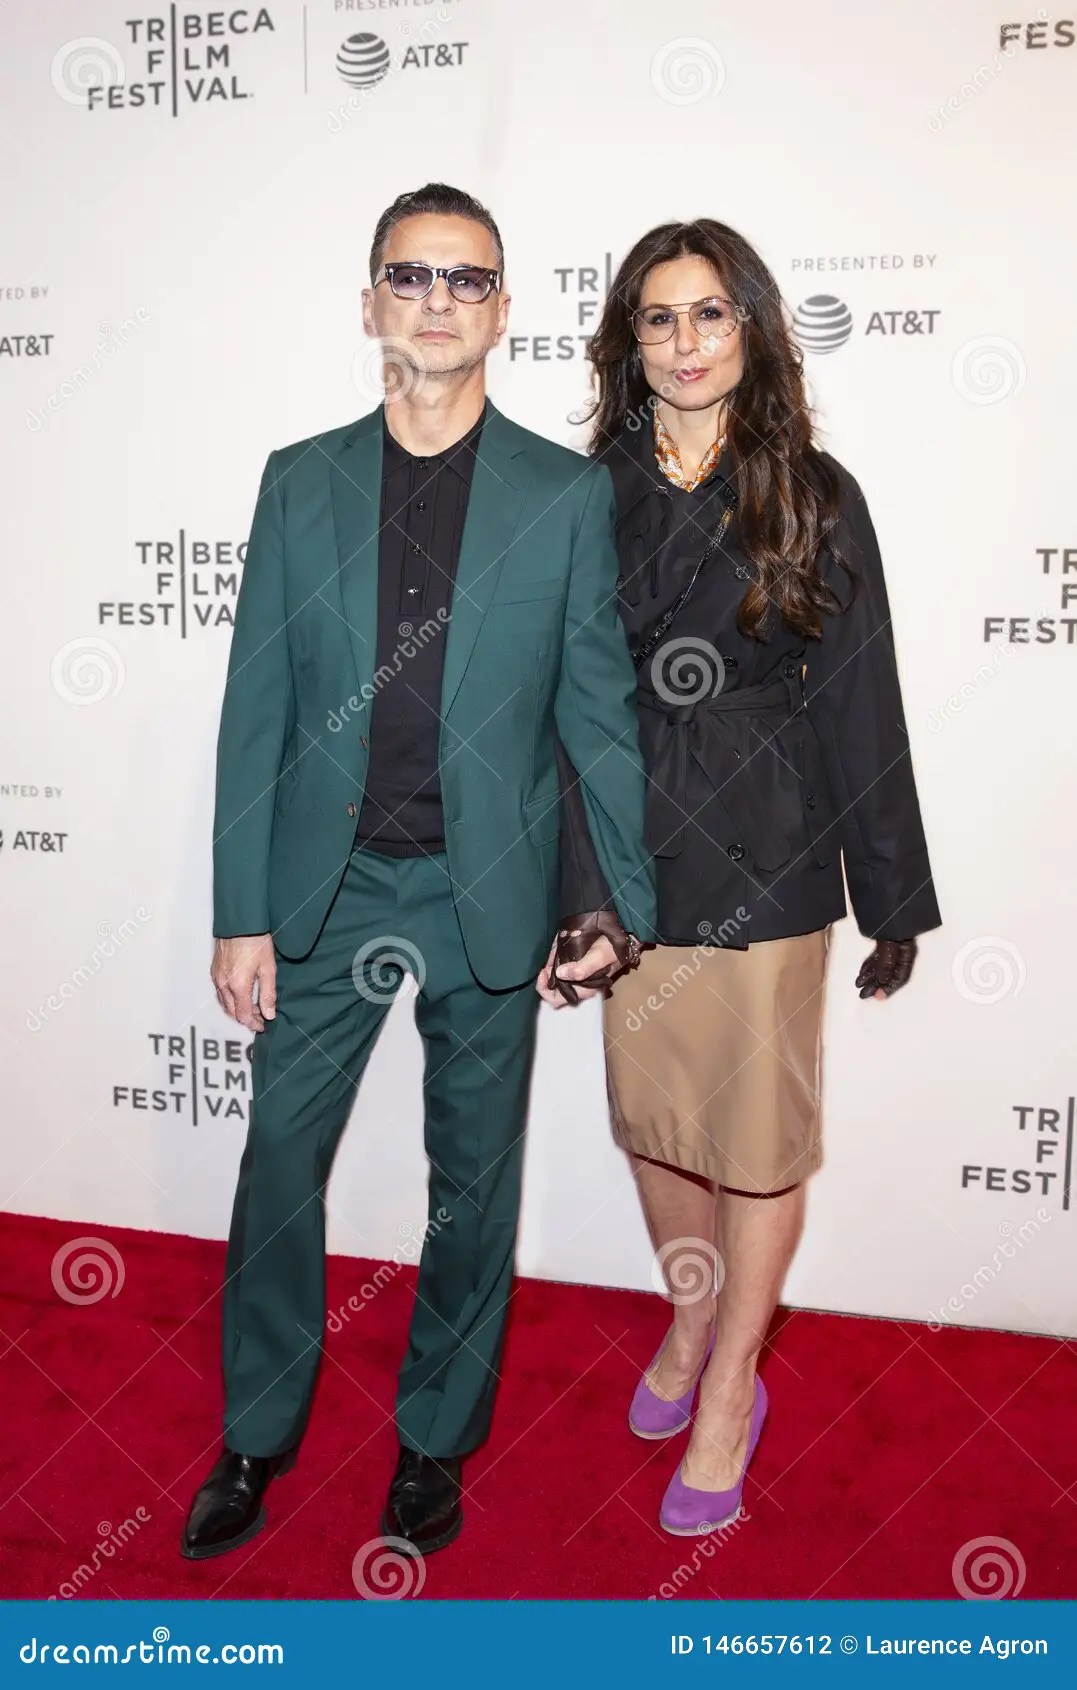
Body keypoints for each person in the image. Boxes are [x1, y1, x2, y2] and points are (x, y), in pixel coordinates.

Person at [181, 181, 656, 1561]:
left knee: (471, 1183)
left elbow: (594, 710)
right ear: (370, 302)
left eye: (466, 279)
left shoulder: (562, 496)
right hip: (323, 896)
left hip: (482, 891)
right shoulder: (297, 478)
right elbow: (253, 705)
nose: (437, 299)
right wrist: (241, 911)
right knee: (278, 1158)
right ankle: (258, 1430)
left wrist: (608, 895)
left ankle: (433, 1442)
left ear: (503, 312)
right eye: (411, 274)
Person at [537, 218, 942, 1537]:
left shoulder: (811, 492)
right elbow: (557, 702)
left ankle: (729, 1392)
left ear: (751, 328)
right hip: (626, 853)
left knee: (755, 1142)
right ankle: (697, 1311)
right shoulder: (579, 494)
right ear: (626, 342)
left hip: (769, 845)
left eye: (709, 313)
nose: (685, 342)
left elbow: (859, 696)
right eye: (657, 318)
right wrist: (572, 886)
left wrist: (890, 895)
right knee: (656, 1124)